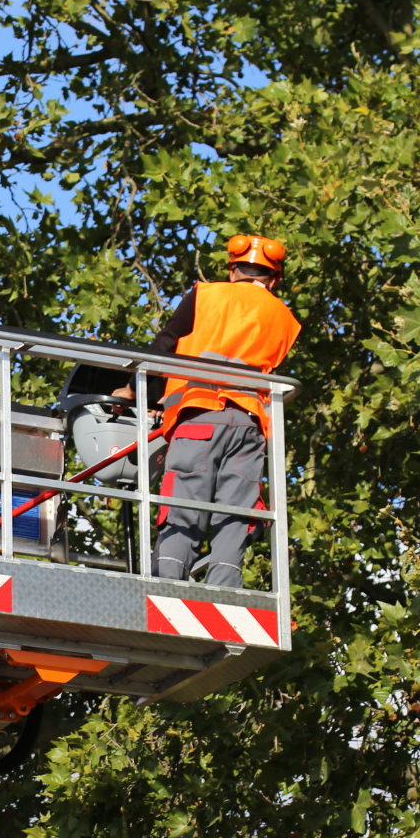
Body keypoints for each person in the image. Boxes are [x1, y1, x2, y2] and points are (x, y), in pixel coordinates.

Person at [112, 234, 301, 587]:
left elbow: (165, 348)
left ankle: (167, 584)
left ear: (233, 272)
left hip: (199, 415)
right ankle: (225, 589)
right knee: (237, 509)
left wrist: (134, 392)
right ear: (274, 279)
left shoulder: (206, 294)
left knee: (184, 501)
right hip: (249, 425)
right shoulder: (285, 318)